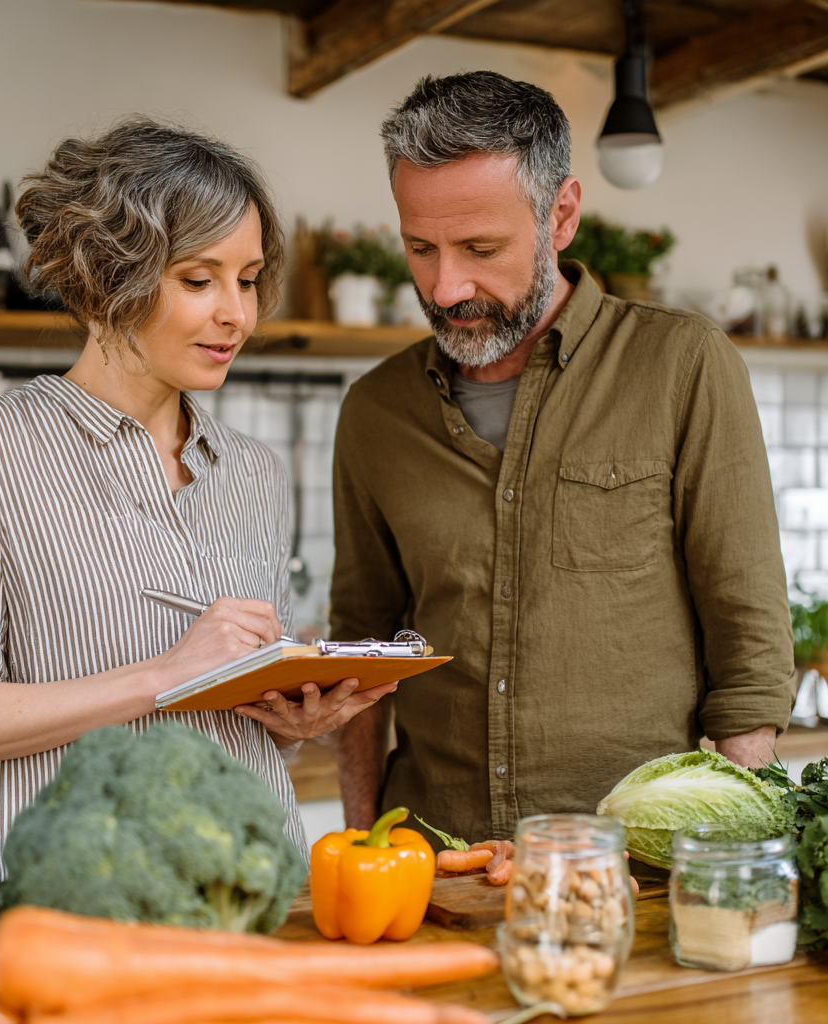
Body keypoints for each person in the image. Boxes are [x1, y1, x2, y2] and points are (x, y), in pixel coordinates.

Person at [0, 117, 396, 894]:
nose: (238, 315)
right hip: (73, 913)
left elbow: (226, 705)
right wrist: (164, 673)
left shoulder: (251, 472)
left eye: (249, 279)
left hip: (255, 900)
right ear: (104, 279)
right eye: (200, 279)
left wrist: (289, 717)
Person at [330, 72, 794, 846]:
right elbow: (363, 650)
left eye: (481, 248)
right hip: (435, 863)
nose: (447, 286)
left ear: (562, 215)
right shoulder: (376, 411)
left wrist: (730, 870)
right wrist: (358, 846)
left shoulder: (683, 365)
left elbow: (748, 643)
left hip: (634, 873)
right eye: (420, 247)